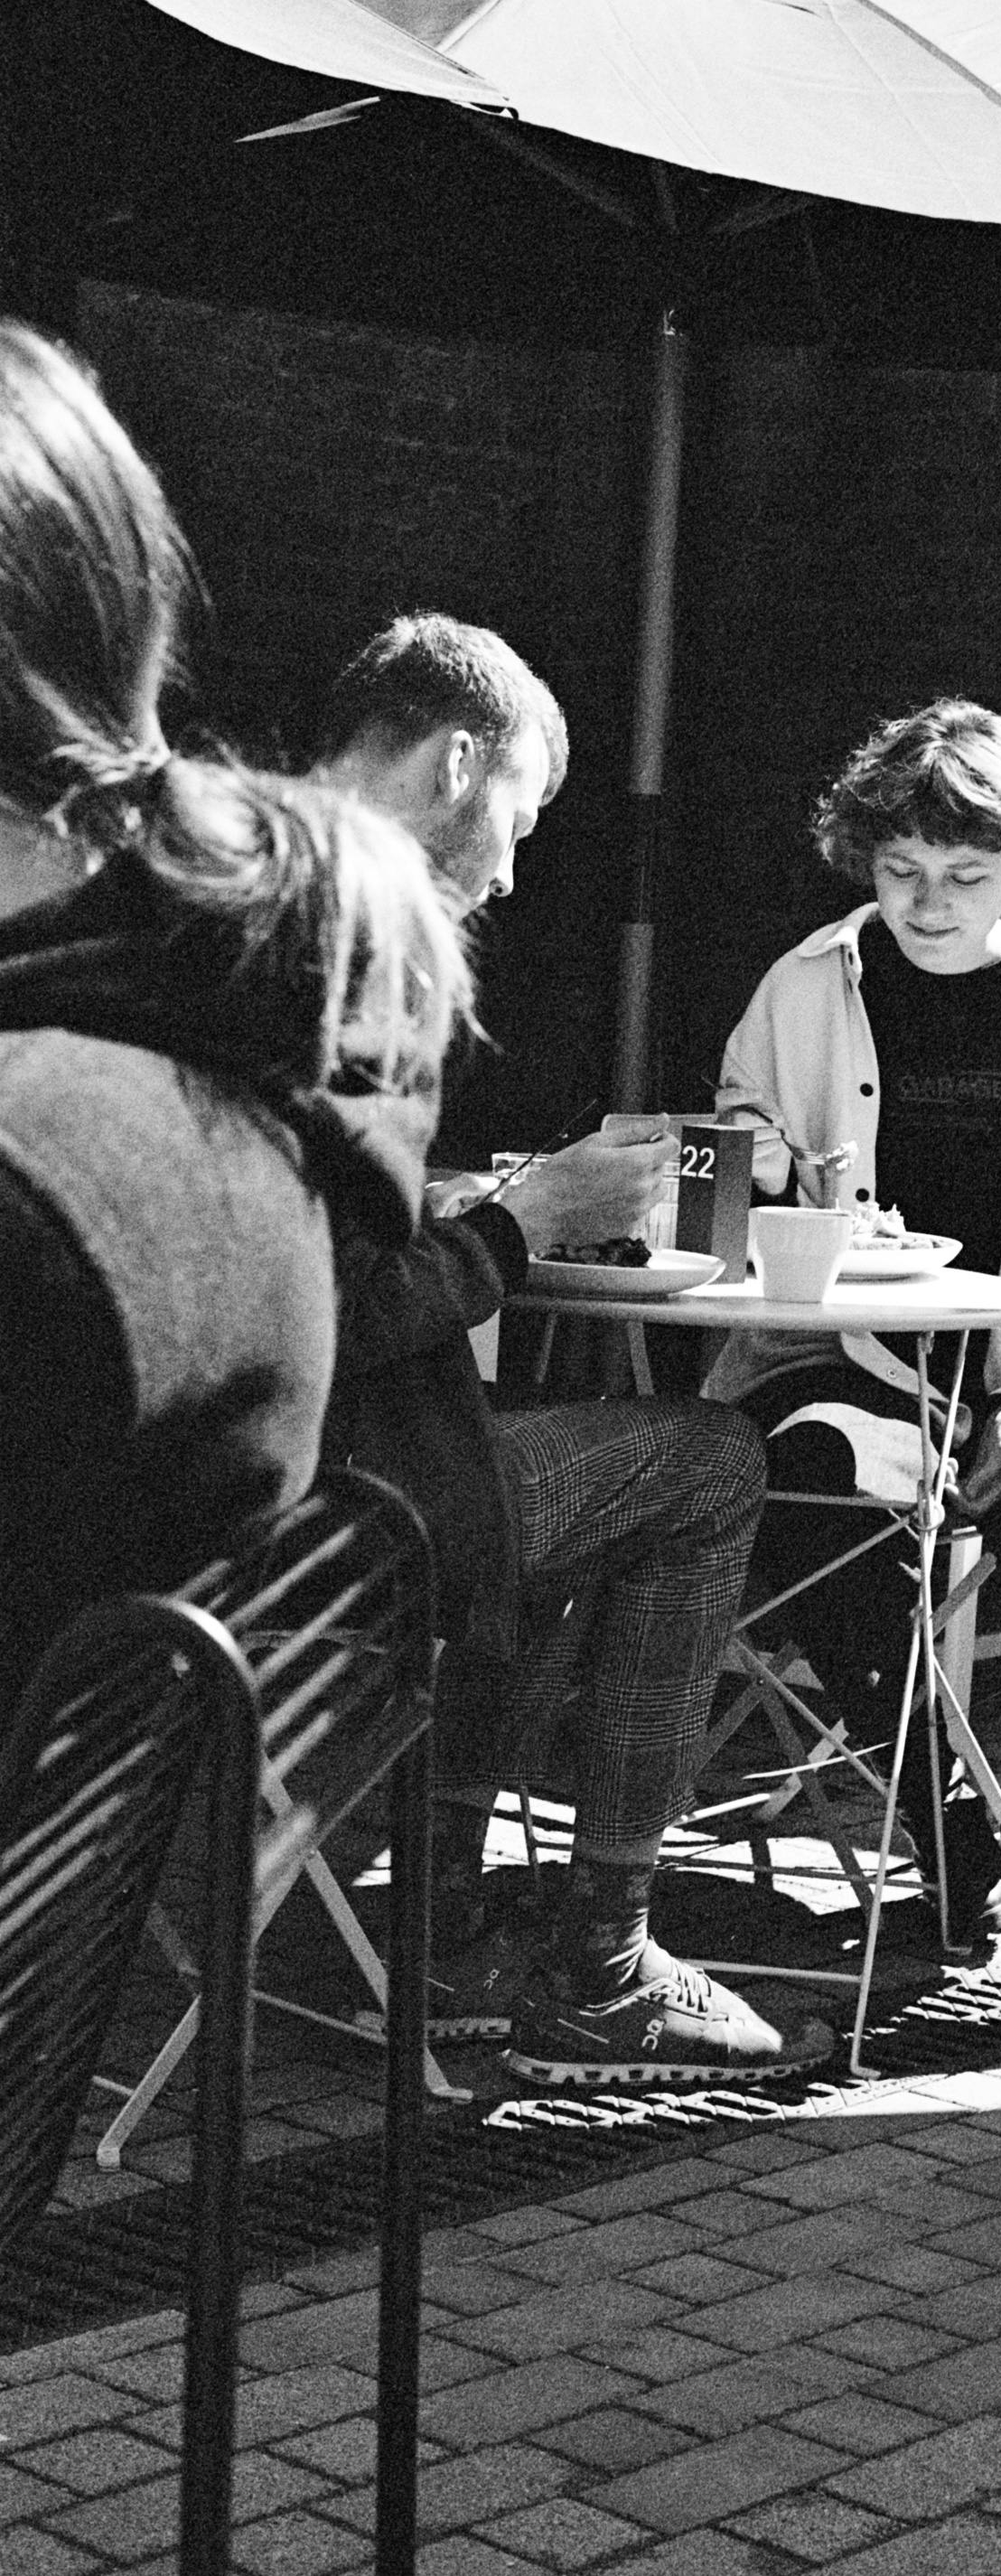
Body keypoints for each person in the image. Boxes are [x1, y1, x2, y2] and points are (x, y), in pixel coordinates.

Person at [314, 614, 833, 2086]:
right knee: (710, 1462)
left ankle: (446, 1921)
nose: (514, 870)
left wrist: (463, 1209)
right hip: (335, 1520)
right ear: (455, 761)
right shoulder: (355, 949)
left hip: (206, 1496)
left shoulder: (239, 910)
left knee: (571, 1454)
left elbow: (284, 1235)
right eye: (521, 820)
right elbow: (333, 1313)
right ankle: (600, 1957)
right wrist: (526, 1222)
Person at [0, 322, 472, 1720]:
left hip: (452, 1532)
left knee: (690, 1466)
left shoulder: (52, 1182)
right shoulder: (233, 1041)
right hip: (349, 1622)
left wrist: (508, 1237)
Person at [712, 697, 1001, 1949]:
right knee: (810, 1493)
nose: (926, 902)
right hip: (842, 1356)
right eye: (900, 868)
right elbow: (740, 1167)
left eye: (964, 875)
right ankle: (942, 1817)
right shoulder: (805, 986)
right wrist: (751, 1168)